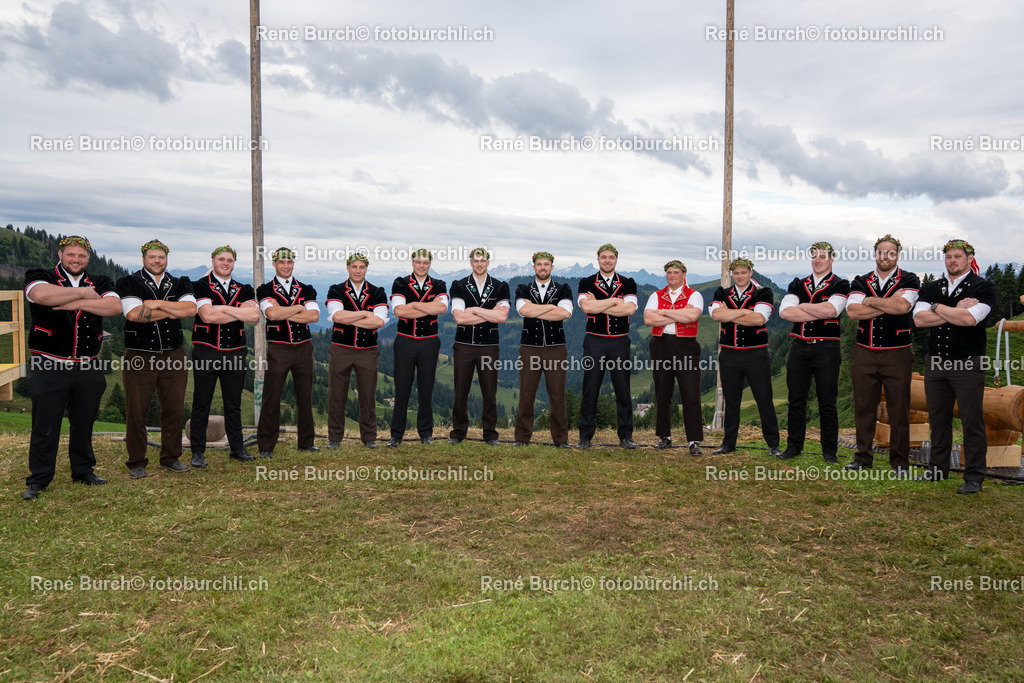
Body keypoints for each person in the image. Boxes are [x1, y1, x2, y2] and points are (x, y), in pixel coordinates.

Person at [21, 236, 122, 500]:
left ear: (88, 258)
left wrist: (71, 301)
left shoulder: (100, 281)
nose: (76, 260)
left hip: (88, 364)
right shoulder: (40, 274)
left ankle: (83, 470)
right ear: (61, 254)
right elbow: (40, 295)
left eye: (81, 256)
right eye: (71, 255)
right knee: (45, 424)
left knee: (84, 422)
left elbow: (113, 306)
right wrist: (86, 295)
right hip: (48, 363)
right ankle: (39, 479)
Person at [912, 239, 996, 494]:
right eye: (948, 257)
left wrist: (937, 307)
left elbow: (970, 319)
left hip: (968, 362)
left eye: (958, 256)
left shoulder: (984, 287)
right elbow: (918, 320)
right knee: (938, 418)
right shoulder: (931, 286)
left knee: (972, 420)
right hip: (935, 362)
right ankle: (937, 469)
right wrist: (952, 310)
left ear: (970, 258)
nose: (952, 261)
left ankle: (973, 478)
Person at [117, 240, 197, 478]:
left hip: (174, 354)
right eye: (152, 257)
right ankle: (137, 461)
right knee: (137, 410)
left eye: (161, 257)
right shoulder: (129, 282)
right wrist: (174, 308)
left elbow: (191, 310)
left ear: (166, 258)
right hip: (139, 356)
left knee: (173, 408)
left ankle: (170, 458)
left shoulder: (180, 281)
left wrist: (155, 304)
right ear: (144, 258)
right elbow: (133, 314)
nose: (157, 261)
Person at [844, 235, 920, 476]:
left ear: (897, 255)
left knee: (899, 409)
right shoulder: (860, 279)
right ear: (875, 254)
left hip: (897, 353)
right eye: (880, 252)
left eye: (890, 252)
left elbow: (902, 307)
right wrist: (886, 304)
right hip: (864, 352)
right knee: (864, 407)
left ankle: (900, 463)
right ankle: (863, 458)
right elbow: (853, 312)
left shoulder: (909, 279)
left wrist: (869, 301)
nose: (884, 257)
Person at [778, 242, 850, 463]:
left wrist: (801, 306)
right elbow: (784, 312)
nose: (818, 260)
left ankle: (829, 451)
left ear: (831, 259)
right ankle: (793, 446)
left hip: (826, 349)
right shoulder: (798, 283)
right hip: (799, 347)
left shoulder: (841, 284)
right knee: (796, 399)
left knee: (827, 401)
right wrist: (817, 309)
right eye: (814, 256)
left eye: (822, 256)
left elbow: (832, 310)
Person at [189, 246, 259, 467]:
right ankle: (197, 452)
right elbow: (207, 316)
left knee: (234, 403)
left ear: (234, 263)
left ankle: (237, 449)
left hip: (235, 351)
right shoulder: (199, 285)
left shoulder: (244, 287)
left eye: (230, 260)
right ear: (213, 260)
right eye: (221, 259)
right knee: (202, 402)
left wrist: (223, 308)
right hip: (206, 349)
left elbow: (254, 315)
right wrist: (236, 309)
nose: (225, 263)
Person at [709, 258, 782, 457]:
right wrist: (745, 311)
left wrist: (729, 312)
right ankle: (729, 443)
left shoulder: (763, 292)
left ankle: (773, 444)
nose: (740, 276)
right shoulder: (721, 292)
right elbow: (716, 316)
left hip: (755, 354)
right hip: (729, 354)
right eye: (736, 273)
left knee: (763, 399)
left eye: (743, 272)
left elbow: (759, 319)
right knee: (731, 401)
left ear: (751, 272)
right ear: (733, 274)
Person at [256, 248, 320, 458]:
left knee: (305, 396)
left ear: (293, 264)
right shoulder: (265, 289)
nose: (286, 266)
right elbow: (272, 314)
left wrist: (286, 310)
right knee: (271, 396)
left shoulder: (306, 288)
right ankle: (266, 446)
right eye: (281, 262)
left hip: (304, 347)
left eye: (289, 262)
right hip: (278, 347)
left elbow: (314, 317)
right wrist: (299, 308)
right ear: (274, 264)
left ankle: (306, 442)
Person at [577, 243, 638, 449]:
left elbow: (629, 309)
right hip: (594, 341)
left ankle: (626, 436)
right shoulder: (586, 282)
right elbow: (586, 307)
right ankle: (585, 436)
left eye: (611, 257)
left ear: (616, 260)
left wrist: (599, 305)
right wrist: (613, 301)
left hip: (620, 341)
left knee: (623, 390)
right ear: (598, 260)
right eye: (604, 257)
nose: (607, 260)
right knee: (590, 388)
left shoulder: (628, 282)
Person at [325, 253, 388, 449]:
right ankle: (334, 438)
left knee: (368, 395)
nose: (358, 270)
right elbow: (337, 316)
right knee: (337, 395)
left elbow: (379, 321)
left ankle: (369, 437)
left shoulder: (377, 291)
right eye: (354, 267)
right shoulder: (336, 289)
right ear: (348, 268)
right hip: (340, 349)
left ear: (366, 269)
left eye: (361, 267)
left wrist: (349, 316)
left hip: (368, 350)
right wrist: (364, 313)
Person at [449, 248, 510, 446]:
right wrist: (488, 313)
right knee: (461, 391)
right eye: (476, 261)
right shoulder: (458, 285)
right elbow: (459, 317)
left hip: (489, 346)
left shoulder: (501, 286)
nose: (479, 264)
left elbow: (501, 317)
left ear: (488, 263)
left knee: (489, 392)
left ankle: (490, 434)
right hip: (463, 345)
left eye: (483, 260)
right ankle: (458, 433)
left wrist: (473, 309)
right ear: (470, 263)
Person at [643, 260, 704, 454]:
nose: (672, 275)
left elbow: (692, 317)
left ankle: (694, 440)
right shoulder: (656, 294)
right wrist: (679, 314)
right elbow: (648, 319)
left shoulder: (695, 294)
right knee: (662, 392)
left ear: (684, 274)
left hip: (686, 345)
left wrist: (664, 312)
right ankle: (664, 436)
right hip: (660, 344)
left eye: (676, 272)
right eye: (668, 272)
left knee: (690, 392)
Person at [388, 249, 448, 447]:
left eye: (425, 262)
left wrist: (412, 305)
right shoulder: (400, 282)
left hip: (430, 342)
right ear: (412, 263)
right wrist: (426, 305)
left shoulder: (439, 284)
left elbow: (441, 308)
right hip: (405, 341)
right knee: (402, 388)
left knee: (426, 388)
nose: (421, 265)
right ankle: (396, 435)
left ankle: (426, 433)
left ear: (430, 264)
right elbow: (398, 310)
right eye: (418, 262)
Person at [514, 252, 573, 448]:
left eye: (546, 264)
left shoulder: (563, 288)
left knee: (557, 395)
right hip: (529, 348)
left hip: (556, 349)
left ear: (552, 267)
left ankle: (560, 439)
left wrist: (537, 308)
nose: (542, 267)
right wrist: (550, 308)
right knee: (526, 393)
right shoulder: (523, 288)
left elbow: (565, 312)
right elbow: (524, 311)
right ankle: (522, 438)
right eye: (539, 264)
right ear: (533, 267)